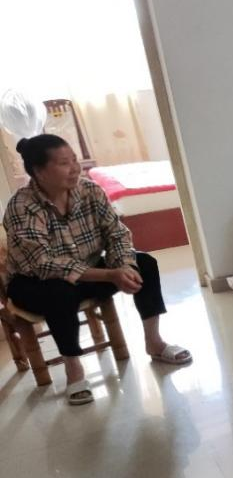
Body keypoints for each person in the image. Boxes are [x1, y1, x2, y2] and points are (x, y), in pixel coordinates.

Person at [3, 134, 191, 406]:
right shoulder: (22, 206)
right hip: (33, 284)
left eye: (74, 160)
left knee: (144, 264)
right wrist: (109, 275)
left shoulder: (90, 191)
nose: (75, 168)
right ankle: (74, 369)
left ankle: (155, 342)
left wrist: (123, 266)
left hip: (89, 273)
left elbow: (117, 233)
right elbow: (43, 264)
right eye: (64, 163)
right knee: (59, 291)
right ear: (39, 172)